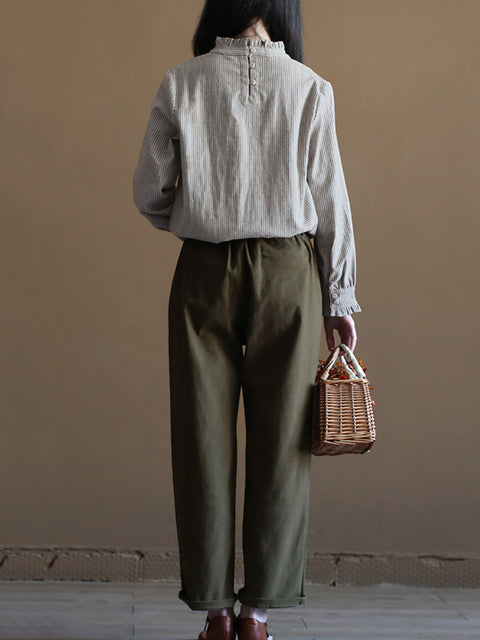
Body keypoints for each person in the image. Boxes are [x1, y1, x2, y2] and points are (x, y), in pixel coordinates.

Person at [132, 1, 362, 638]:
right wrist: (339, 300)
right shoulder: (311, 89)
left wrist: (195, 215)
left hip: (203, 271)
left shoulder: (183, 81)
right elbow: (330, 200)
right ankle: (258, 614)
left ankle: (214, 613)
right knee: (284, 444)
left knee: (201, 440)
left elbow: (149, 191)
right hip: (290, 273)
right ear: (282, 9)